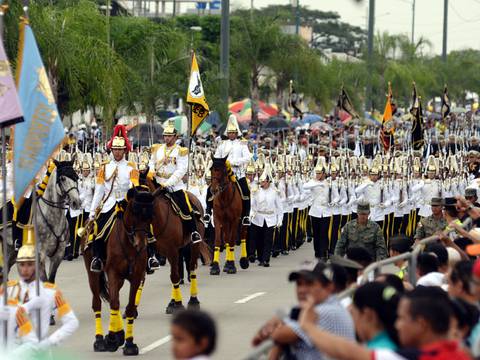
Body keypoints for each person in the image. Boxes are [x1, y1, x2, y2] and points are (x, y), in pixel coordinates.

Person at [297, 286, 470, 360]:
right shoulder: (460, 351)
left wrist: (308, 326)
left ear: (422, 323)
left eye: (402, 318)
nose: (398, 324)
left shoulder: (424, 356)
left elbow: (349, 351)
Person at [252, 261, 355, 359]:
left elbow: (280, 335)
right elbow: (279, 323)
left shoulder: (327, 311)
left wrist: (273, 327)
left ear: (328, 287)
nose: (301, 290)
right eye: (299, 284)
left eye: (309, 284)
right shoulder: (318, 306)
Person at [88, 125, 148, 272]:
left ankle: (150, 256)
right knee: (99, 228)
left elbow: (134, 186)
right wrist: (91, 212)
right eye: (115, 149)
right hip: (108, 204)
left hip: (126, 204)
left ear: (125, 150)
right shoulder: (104, 167)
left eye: (120, 149)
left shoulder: (131, 167)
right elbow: (99, 191)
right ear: (111, 149)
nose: (117, 152)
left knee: (143, 225)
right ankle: (97, 258)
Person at [9, 225, 79, 349]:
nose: (25, 269)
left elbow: (72, 322)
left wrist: (51, 341)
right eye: (22, 264)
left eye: (30, 264)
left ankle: (65, 238)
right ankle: (17, 238)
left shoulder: (51, 292)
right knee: (23, 209)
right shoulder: (8, 290)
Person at [149, 120, 202, 244]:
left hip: (174, 186)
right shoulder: (157, 149)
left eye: (169, 136)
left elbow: (181, 170)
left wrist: (168, 183)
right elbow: (152, 162)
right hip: (157, 182)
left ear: (175, 137)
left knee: (185, 205)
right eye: (165, 136)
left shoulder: (181, 151)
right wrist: (151, 171)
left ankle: (193, 231)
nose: (166, 138)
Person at [207, 115, 252, 226]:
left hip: (237, 173)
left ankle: (245, 215)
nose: (231, 135)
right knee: (210, 190)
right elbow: (217, 157)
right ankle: (208, 213)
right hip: (224, 174)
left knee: (246, 192)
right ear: (227, 133)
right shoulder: (222, 144)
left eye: (233, 133)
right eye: (230, 133)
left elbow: (247, 157)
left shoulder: (242, 144)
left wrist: (233, 162)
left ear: (237, 133)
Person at [350, 282, 400, 350]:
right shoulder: (400, 344)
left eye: (353, 314)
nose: (352, 322)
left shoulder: (373, 353)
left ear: (368, 315)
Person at [249, 164, 282, 267]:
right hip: (258, 218)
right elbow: (252, 205)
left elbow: (279, 207)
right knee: (259, 239)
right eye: (261, 181)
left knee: (268, 240)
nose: (261, 183)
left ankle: (266, 259)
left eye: (263, 181)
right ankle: (260, 258)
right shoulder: (256, 192)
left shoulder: (274, 192)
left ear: (268, 182)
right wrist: (251, 214)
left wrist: (280, 219)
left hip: (270, 218)